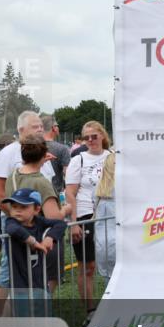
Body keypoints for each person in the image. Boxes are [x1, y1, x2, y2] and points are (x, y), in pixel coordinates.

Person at [0, 111, 55, 313]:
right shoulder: (9, 153)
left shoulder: (42, 154)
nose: (40, 129)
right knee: (9, 272)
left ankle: (35, 310)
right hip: (16, 223)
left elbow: (49, 187)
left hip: (39, 224)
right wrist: (17, 217)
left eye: (41, 126)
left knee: (38, 269)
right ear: (21, 130)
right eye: (35, 126)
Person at [7, 136, 70, 292]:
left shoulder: (13, 175)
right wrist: (66, 209)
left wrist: (41, 159)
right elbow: (53, 216)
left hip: (19, 239)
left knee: (21, 289)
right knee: (44, 287)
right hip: (43, 238)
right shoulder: (41, 182)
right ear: (44, 154)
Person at [65, 121, 111, 311]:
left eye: (94, 136)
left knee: (113, 263)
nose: (90, 140)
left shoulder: (112, 156)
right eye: (86, 137)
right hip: (86, 216)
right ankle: (90, 311)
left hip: (110, 216)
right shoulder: (79, 159)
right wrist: (74, 223)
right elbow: (70, 193)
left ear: (102, 135)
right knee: (88, 267)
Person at [2, 188, 66, 315]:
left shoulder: (38, 222)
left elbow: (60, 224)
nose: (17, 210)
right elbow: (13, 230)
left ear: (36, 209)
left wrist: (49, 237)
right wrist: (34, 243)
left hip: (40, 284)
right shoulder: (11, 221)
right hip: (20, 287)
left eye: (23, 207)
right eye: (14, 207)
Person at [93, 151, 116, 279]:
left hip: (103, 243)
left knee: (109, 280)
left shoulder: (98, 189)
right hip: (121, 243)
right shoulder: (126, 188)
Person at [42, 114, 73, 194]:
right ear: (53, 128)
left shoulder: (33, 147)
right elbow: (68, 174)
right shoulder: (62, 149)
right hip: (55, 193)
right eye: (57, 126)